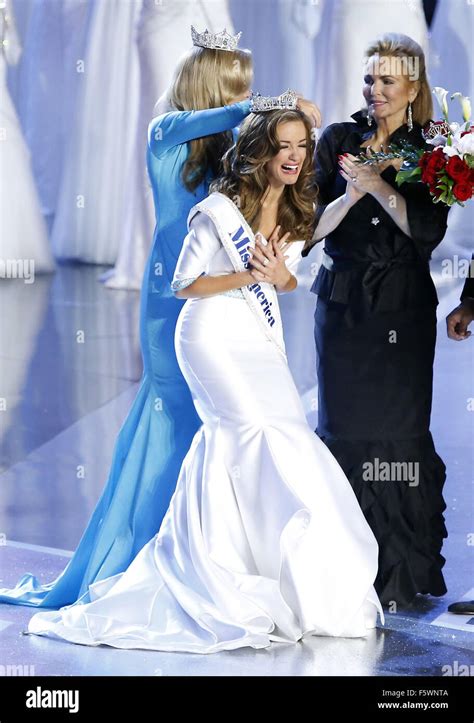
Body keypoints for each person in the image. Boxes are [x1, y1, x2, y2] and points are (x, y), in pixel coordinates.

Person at [26, 102, 383, 652]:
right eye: (283, 146)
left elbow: (287, 282)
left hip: (256, 340)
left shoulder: (296, 209)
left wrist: (279, 276)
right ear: (263, 152)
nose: (293, 157)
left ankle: (281, 576)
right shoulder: (217, 209)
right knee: (239, 436)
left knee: (284, 434)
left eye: (301, 147)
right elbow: (185, 283)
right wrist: (249, 273)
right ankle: (212, 575)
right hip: (211, 336)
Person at [302, 34, 450, 607]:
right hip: (342, 309)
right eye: (370, 79)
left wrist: (379, 186)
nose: (376, 90)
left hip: (402, 310)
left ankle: (397, 575)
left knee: (399, 439)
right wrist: (350, 192)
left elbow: (428, 233)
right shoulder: (338, 139)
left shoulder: (435, 149)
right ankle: (343, 573)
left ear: (412, 87)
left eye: (388, 81)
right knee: (342, 433)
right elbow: (307, 229)